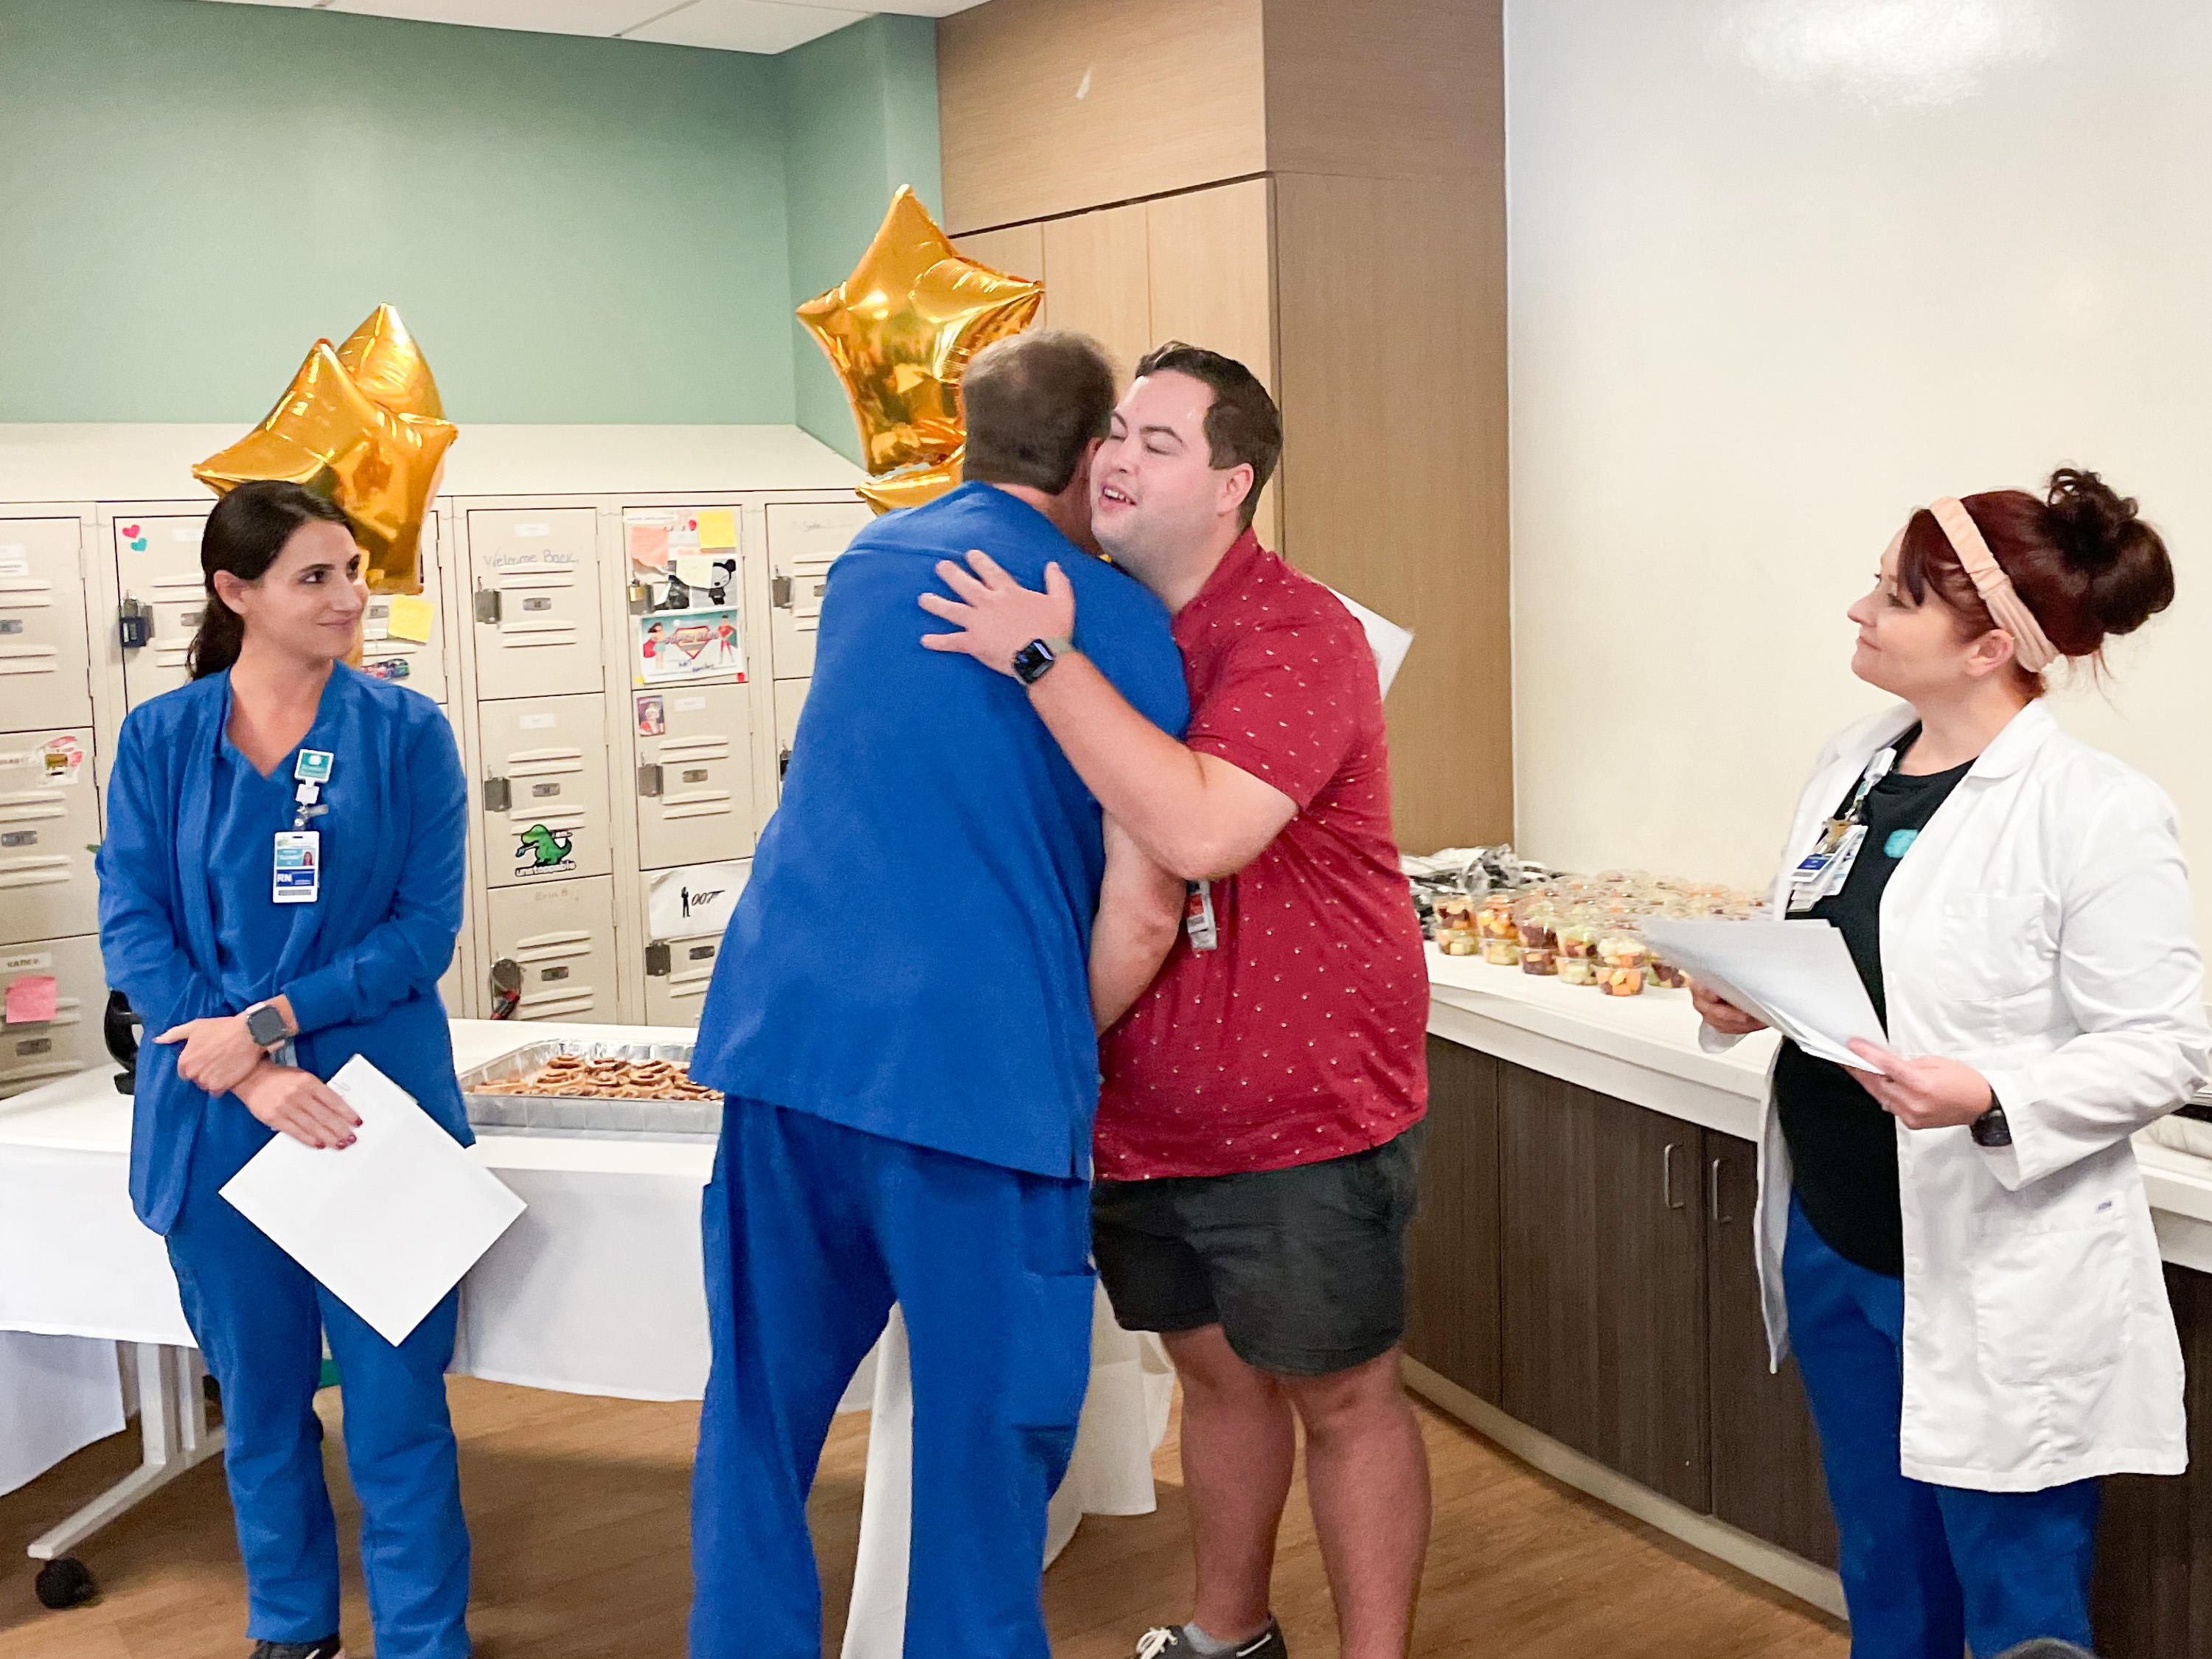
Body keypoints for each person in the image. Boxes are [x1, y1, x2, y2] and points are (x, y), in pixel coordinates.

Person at [918, 343, 1432, 1659]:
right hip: (1139, 1099)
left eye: (1156, 441)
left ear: (1233, 484)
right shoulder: (1098, 614)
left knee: (1346, 1391)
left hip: (1300, 1102)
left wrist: (1041, 660)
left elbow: (1203, 833)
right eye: (1112, 434)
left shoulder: (1296, 632)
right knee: (1211, 1375)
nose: (1114, 457)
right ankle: (1230, 1630)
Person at [684, 330, 1191, 1659]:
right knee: (981, 1459)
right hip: (974, 1079)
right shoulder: (1117, 619)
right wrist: (1036, 1039)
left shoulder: (866, 567)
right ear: (1093, 460)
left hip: (786, 1046)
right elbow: (1147, 900)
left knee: (756, 1421)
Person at [1690, 470, 2205, 1658]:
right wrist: (1743, 993)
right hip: (1836, 1233)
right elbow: (1822, 944)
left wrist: (1993, 1094)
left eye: (1895, 594)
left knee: (2012, 1591)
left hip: (1987, 1258)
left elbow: (2166, 1044)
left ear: (1988, 646)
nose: (1859, 609)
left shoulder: (2094, 809)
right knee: (1885, 1562)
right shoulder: (1855, 768)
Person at [98, 480, 473, 1659]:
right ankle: (293, 1629)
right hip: (216, 1118)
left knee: (398, 1411)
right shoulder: (162, 739)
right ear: (236, 592)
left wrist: (267, 1022)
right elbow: (134, 927)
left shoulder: (406, 734)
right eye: (316, 575)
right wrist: (252, 1070)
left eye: (354, 569)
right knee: (259, 1409)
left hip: (373, 1113)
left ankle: (422, 1640)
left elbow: (421, 934)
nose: (351, 596)